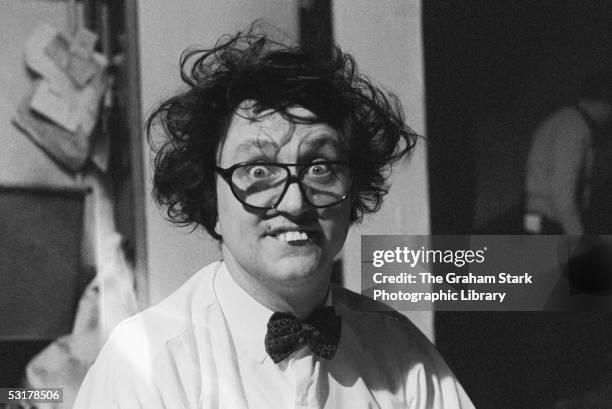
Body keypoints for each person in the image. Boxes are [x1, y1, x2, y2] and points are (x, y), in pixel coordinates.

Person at [73, 26, 475, 409]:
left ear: (351, 196)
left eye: (319, 167)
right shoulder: (145, 364)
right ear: (212, 205)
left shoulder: (401, 352)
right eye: (259, 171)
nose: (296, 202)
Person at [524, 72, 612, 235]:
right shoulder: (574, 129)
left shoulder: (563, 120)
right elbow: (562, 190)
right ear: (604, 103)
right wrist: (577, 235)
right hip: (552, 219)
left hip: (536, 215)